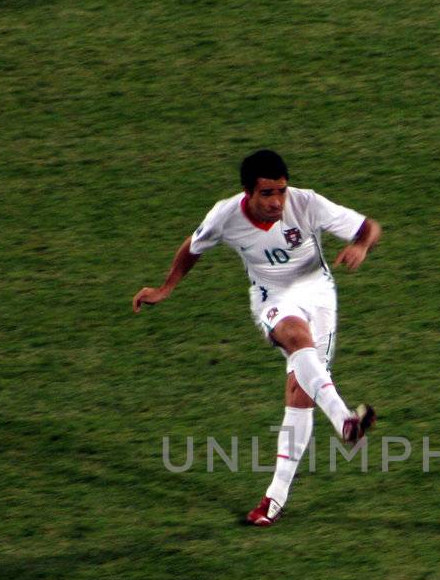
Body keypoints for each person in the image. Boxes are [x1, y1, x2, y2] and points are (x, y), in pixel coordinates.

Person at [133, 149, 381, 527]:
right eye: (267, 193)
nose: (277, 202)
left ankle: (274, 499)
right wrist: (166, 288)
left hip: (319, 295)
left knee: (301, 392)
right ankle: (345, 420)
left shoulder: (307, 202)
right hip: (272, 298)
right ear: (247, 192)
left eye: (281, 191)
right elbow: (193, 246)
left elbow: (368, 227)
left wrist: (361, 245)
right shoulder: (225, 215)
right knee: (297, 338)